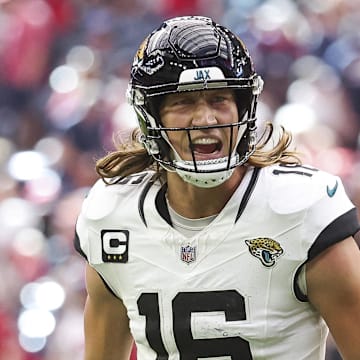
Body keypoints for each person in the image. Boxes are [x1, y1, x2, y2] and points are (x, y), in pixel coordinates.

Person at [74, 16, 360, 360]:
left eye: (219, 100)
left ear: (244, 106)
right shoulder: (112, 216)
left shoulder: (301, 210)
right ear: (151, 116)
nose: (206, 119)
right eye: (184, 102)